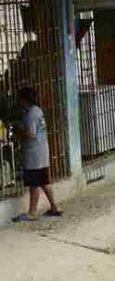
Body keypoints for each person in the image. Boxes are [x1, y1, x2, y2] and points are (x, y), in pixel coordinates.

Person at [12, 87, 61, 222]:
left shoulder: (31, 114)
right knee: (44, 181)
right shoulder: (37, 110)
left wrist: (17, 134)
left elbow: (31, 133)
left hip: (34, 154)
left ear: (24, 100)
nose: (18, 101)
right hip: (41, 151)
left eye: (20, 99)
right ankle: (55, 207)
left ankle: (32, 212)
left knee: (34, 183)